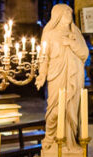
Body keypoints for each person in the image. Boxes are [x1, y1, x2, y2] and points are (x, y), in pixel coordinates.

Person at [35, 3, 89, 149]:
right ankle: (51, 140)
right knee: (54, 111)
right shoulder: (50, 33)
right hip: (56, 75)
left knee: (71, 109)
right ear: (58, 15)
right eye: (66, 13)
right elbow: (44, 57)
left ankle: (70, 142)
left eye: (70, 13)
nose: (69, 15)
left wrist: (71, 43)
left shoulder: (75, 33)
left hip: (74, 76)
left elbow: (84, 53)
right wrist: (41, 75)